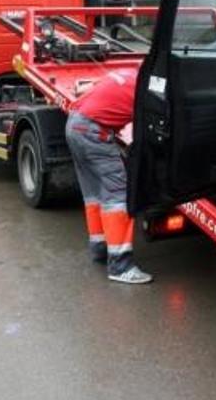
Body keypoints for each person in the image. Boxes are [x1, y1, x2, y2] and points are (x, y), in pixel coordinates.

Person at [65, 68, 153, 284]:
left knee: (94, 194)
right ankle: (121, 266)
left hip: (75, 126)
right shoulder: (149, 90)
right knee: (117, 197)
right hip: (94, 132)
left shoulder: (125, 74)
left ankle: (100, 248)